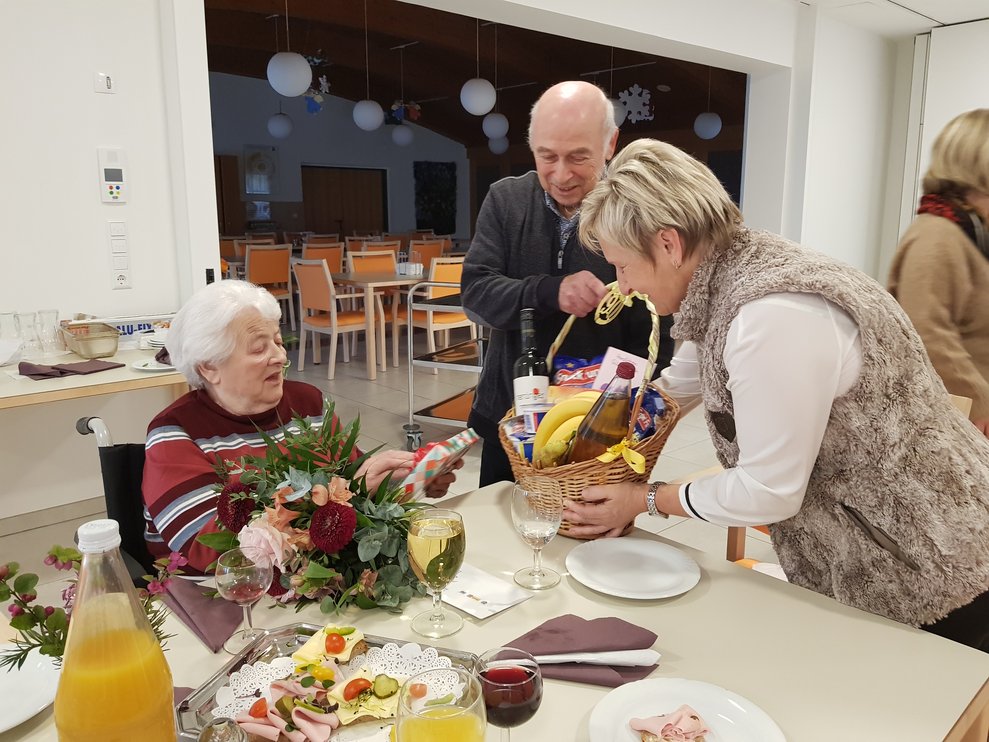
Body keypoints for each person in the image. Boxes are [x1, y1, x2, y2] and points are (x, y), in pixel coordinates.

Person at [563, 138, 989, 651]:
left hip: (937, 559)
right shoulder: (726, 273)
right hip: (882, 540)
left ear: (669, 244)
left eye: (624, 266)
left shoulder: (770, 316)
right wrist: (594, 420)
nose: (622, 285)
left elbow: (768, 490)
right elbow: (681, 385)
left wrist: (644, 499)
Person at [142, 280, 460, 574]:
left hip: (312, 578)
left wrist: (406, 480)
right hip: (220, 596)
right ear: (209, 366)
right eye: (258, 348)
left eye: (278, 342)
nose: (279, 356)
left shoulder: (307, 403)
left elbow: (354, 482)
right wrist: (342, 498)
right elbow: (209, 549)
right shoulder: (175, 432)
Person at [461, 80, 672, 486]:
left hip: (601, 434)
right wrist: (550, 291)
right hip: (508, 414)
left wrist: (634, 413)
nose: (561, 174)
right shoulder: (506, 201)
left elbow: (658, 330)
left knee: (592, 542)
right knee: (502, 537)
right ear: (531, 146)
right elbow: (476, 294)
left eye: (579, 157)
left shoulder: (639, 213)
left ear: (611, 143)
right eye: (547, 156)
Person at [888, 108, 989, 437]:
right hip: (959, 424)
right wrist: (981, 401)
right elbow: (927, 333)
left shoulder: (972, 232)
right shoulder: (939, 236)